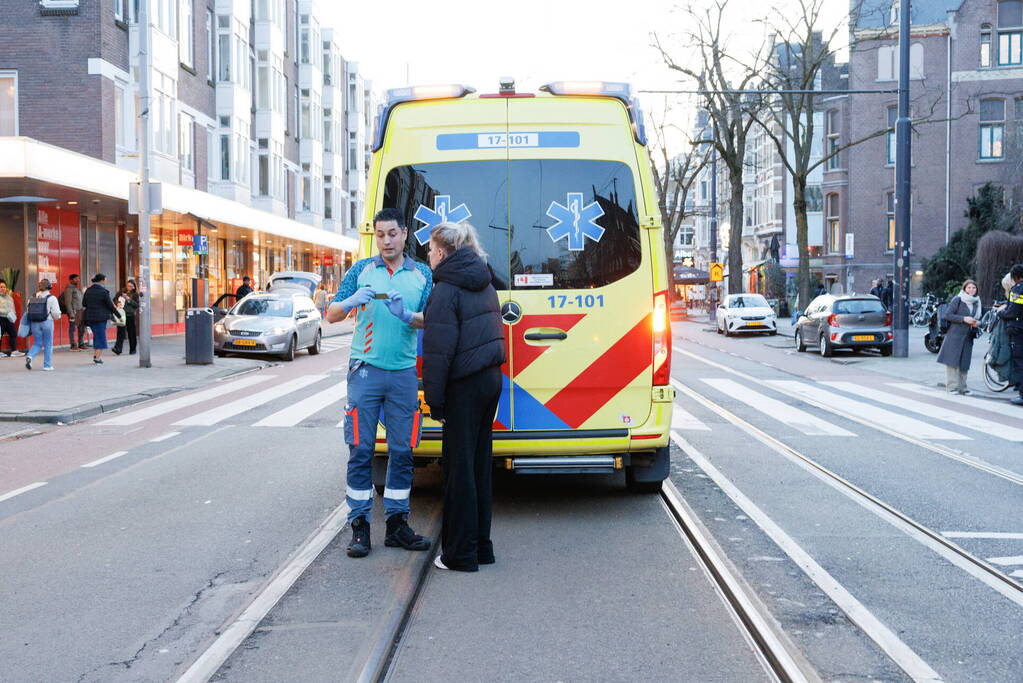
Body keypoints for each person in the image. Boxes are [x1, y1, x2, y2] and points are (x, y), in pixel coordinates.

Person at [325, 208, 433, 558]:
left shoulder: (422, 274)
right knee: (360, 449)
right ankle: (359, 527)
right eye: (380, 234)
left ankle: (397, 525)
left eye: (392, 234)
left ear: (404, 234)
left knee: (403, 451)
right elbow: (331, 314)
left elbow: (429, 320)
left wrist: (407, 316)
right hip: (365, 372)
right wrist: (350, 301)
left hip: (402, 373)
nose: (386, 240)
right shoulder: (360, 270)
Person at [421, 222, 505, 572]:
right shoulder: (484, 281)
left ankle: (459, 554)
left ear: (441, 251)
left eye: (429, 249)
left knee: (458, 470)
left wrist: (435, 401)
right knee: (479, 466)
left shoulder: (445, 289)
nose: (427, 255)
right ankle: (481, 546)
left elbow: (439, 352)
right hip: (489, 382)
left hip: (464, 387)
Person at [936, 279, 981, 394]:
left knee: (964, 362)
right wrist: (963, 319)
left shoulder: (976, 302)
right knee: (952, 361)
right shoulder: (958, 299)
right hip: (954, 336)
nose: (971, 290)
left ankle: (963, 387)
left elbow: (979, 318)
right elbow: (947, 315)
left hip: (968, 336)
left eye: (974, 288)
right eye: (969, 287)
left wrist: (977, 323)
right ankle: (952, 387)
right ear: (964, 288)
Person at [997, 264, 1023, 406]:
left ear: (1015, 277)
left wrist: (1001, 313)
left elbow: (1013, 311)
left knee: (1020, 362)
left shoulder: (1018, 289)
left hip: (1019, 330)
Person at [24, 279, 60, 371]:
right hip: (47, 322)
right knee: (48, 343)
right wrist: (55, 316)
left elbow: (28, 311)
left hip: (34, 323)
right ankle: (47, 365)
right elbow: (56, 314)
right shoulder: (52, 298)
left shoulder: (32, 297)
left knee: (37, 343)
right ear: (49, 287)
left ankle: (30, 356)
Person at [82, 273, 117, 365]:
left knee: (97, 336)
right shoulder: (103, 291)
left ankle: (96, 355)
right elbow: (110, 305)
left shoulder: (88, 290)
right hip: (101, 317)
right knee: (101, 337)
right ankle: (97, 358)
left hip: (90, 317)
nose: (106, 281)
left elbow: (84, 303)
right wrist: (118, 315)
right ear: (101, 280)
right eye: (105, 279)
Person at [113, 279, 140, 355]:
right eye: (128, 286)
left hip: (130, 315)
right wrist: (117, 302)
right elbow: (114, 299)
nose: (129, 287)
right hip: (121, 314)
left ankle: (132, 349)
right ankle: (118, 349)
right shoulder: (121, 292)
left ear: (134, 287)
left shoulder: (135, 294)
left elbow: (137, 305)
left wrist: (129, 299)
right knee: (120, 332)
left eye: (131, 286)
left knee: (131, 332)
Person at [62, 273, 86, 350]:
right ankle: (73, 344)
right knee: (72, 328)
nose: (78, 280)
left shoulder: (77, 288)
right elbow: (68, 302)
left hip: (81, 311)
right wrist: (71, 313)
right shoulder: (68, 289)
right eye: (76, 279)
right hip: (74, 311)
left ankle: (81, 343)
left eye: (78, 278)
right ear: (71, 280)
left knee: (81, 328)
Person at [0, 280, 17, 357]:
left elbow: (12, 307)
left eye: (4, 287)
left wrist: (14, 314)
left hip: (10, 318)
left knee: (13, 333)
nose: (3, 288)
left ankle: (13, 351)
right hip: (1, 318)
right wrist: (6, 312)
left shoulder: (9, 297)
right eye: (1, 287)